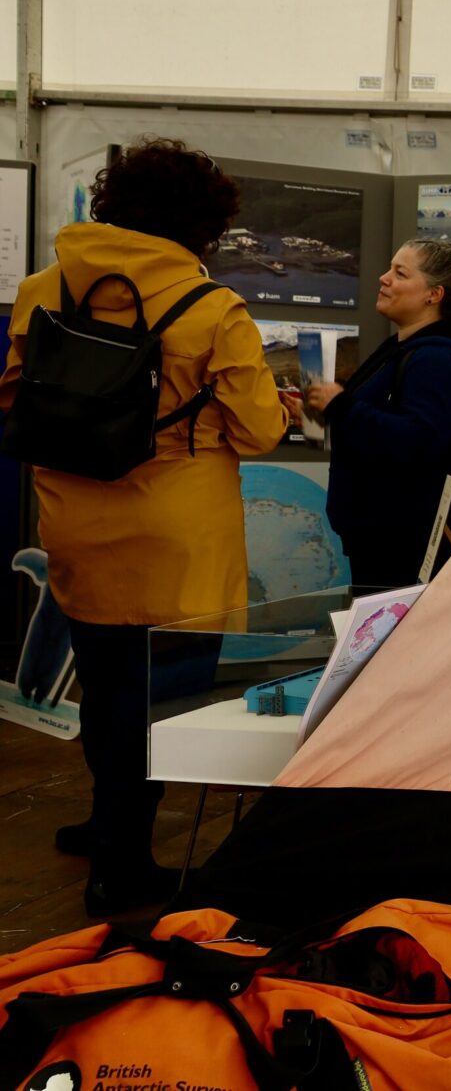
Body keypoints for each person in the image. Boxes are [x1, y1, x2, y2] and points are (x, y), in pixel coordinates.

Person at [0, 139, 289, 915]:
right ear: (201, 223)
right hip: (176, 537)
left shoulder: (43, 286)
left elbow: (15, 399)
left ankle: (105, 826)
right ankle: (125, 867)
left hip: (78, 524)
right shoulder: (213, 309)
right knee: (160, 706)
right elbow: (259, 430)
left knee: (104, 688)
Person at [306, 240, 451, 588]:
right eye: (390, 268)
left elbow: (418, 441)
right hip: (380, 543)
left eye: (399, 273)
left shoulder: (437, 361)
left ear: (433, 295)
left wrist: (341, 406)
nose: (383, 278)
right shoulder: (405, 350)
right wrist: (329, 413)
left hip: (403, 550)